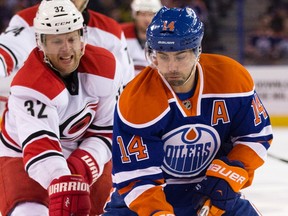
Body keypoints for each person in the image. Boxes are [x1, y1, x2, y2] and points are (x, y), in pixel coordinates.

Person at [103, 6, 273, 216]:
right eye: (163, 56)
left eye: (180, 56)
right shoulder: (136, 99)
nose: (171, 67)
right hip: (145, 200)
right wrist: (158, 213)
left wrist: (229, 175)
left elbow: (256, 136)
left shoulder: (231, 79)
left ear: (197, 51)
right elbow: (136, 178)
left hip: (209, 190)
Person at [0, 0, 122, 215]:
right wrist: (63, 182)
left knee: (106, 210)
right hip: (21, 153)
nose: (66, 50)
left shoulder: (106, 66)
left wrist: (79, 169)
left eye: (71, 39)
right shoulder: (29, 85)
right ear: (41, 43)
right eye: (56, 41)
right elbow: (40, 148)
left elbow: (107, 130)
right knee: (29, 212)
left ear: (82, 39)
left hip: (81, 146)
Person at [121, 0, 162, 75]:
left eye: (151, 14)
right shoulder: (121, 33)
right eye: (142, 14)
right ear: (134, 15)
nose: (147, 19)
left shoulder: (166, 36)